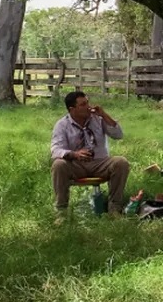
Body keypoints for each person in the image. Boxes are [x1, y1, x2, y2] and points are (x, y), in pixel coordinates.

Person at [50, 91, 129, 219]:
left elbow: (118, 135)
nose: (88, 106)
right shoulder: (62, 125)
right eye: (83, 104)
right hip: (76, 165)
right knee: (58, 164)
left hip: (100, 163)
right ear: (72, 109)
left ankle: (114, 209)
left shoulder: (98, 119)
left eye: (88, 102)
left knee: (121, 162)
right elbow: (55, 149)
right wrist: (74, 154)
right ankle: (61, 212)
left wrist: (104, 114)